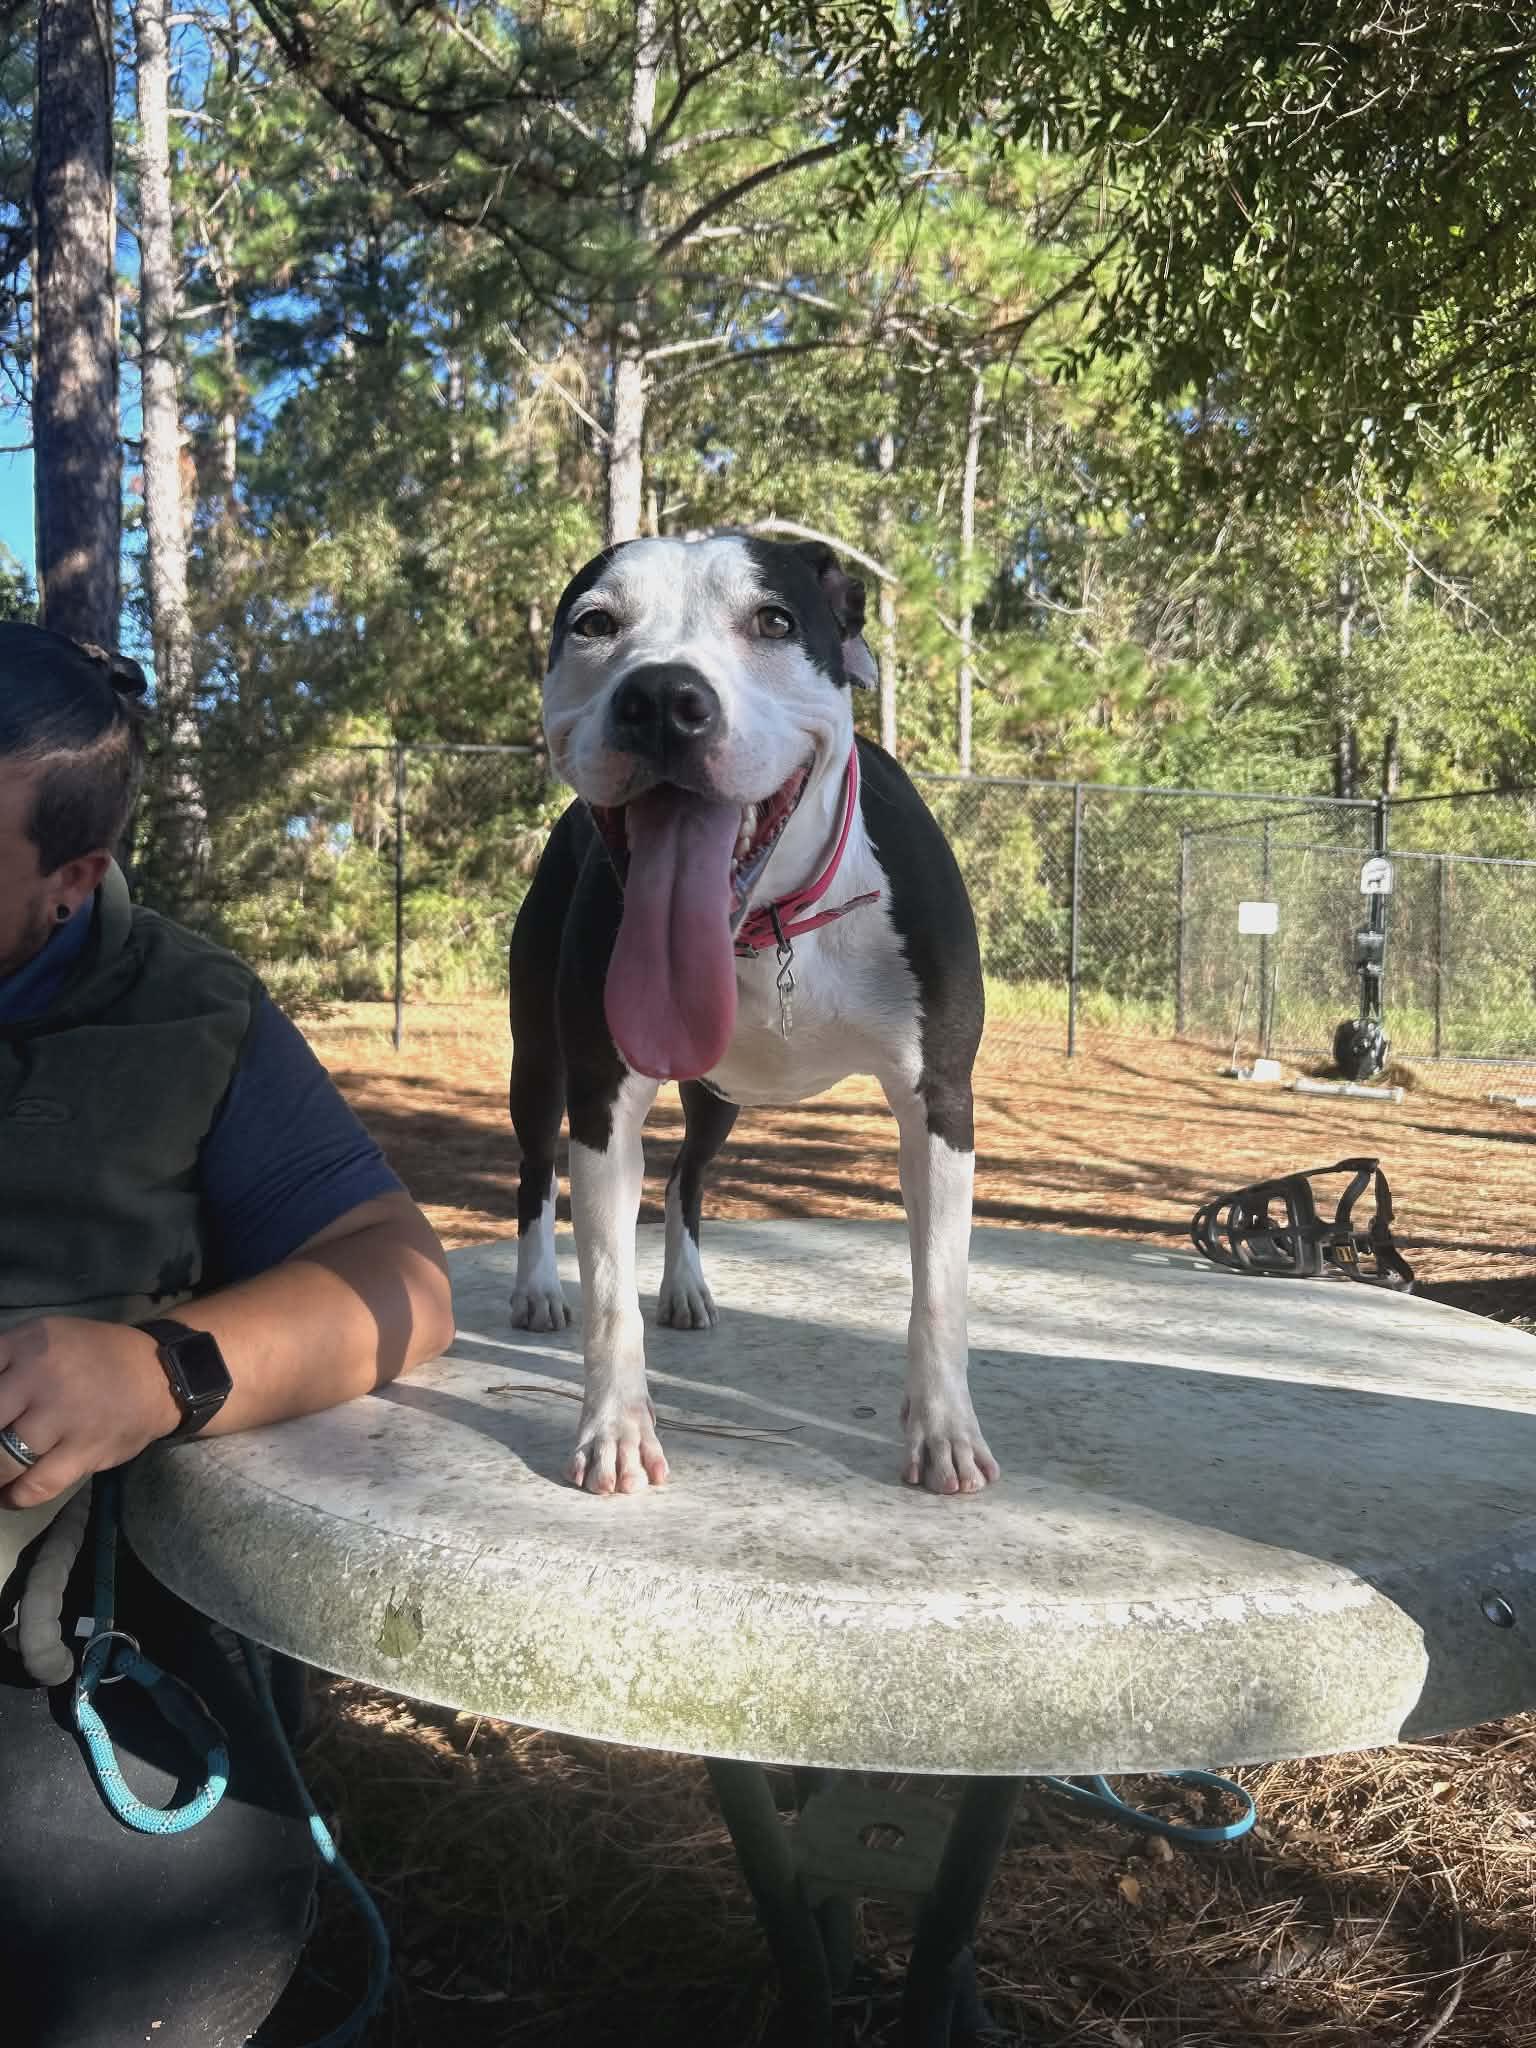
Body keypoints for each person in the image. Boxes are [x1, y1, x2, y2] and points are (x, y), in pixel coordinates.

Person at [0, 623, 455, 2047]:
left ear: (72, 881)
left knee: (160, 1962)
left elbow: (399, 1280)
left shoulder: (191, 1017)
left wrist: (159, 1371)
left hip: (47, 1626)